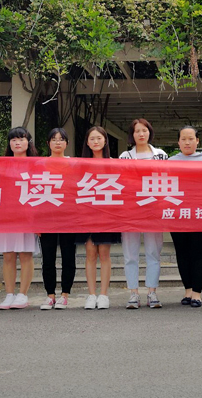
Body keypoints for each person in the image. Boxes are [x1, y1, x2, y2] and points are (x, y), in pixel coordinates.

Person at [119, 118, 168, 310]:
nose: (141, 134)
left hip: (153, 210)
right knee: (130, 254)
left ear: (150, 132)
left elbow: (167, 180)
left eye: (144, 130)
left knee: (153, 252)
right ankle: (133, 293)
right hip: (130, 211)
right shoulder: (125, 157)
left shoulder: (161, 155)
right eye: (137, 131)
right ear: (132, 135)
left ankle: (152, 292)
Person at [0, 127, 41, 310]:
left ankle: (23, 294)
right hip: (6, 216)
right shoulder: (1, 164)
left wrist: (39, 219)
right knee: (8, 255)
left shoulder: (36, 164)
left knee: (25, 254)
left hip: (28, 215)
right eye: (13, 140)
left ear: (28, 142)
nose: (17, 143)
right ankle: (9, 294)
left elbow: (40, 190)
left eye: (21, 139)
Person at [76, 126, 120, 310]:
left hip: (107, 214)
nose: (95, 141)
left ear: (105, 141)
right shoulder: (80, 164)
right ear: (87, 142)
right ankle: (91, 294)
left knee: (104, 254)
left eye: (99, 138)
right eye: (92, 138)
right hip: (86, 214)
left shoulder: (114, 163)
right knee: (90, 253)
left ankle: (103, 295)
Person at [168, 126, 202, 308]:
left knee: (198, 252)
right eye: (184, 139)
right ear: (178, 142)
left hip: (201, 214)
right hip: (177, 215)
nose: (187, 142)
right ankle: (187, 290)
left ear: (197, 141)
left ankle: (197, 293)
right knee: (182, 252)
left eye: (191, 139)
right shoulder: (170, 162)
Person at [40, 128, 77, 310]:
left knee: (68, 257)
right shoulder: (40, 164)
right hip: (47, 217)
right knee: (48, 258)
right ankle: (50, 295)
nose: (57, 142)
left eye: (61, 139)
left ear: (66, 143)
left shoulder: (74, 164)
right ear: (48, 143)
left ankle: (64, 294)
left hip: (68, 217)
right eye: (54, 139)